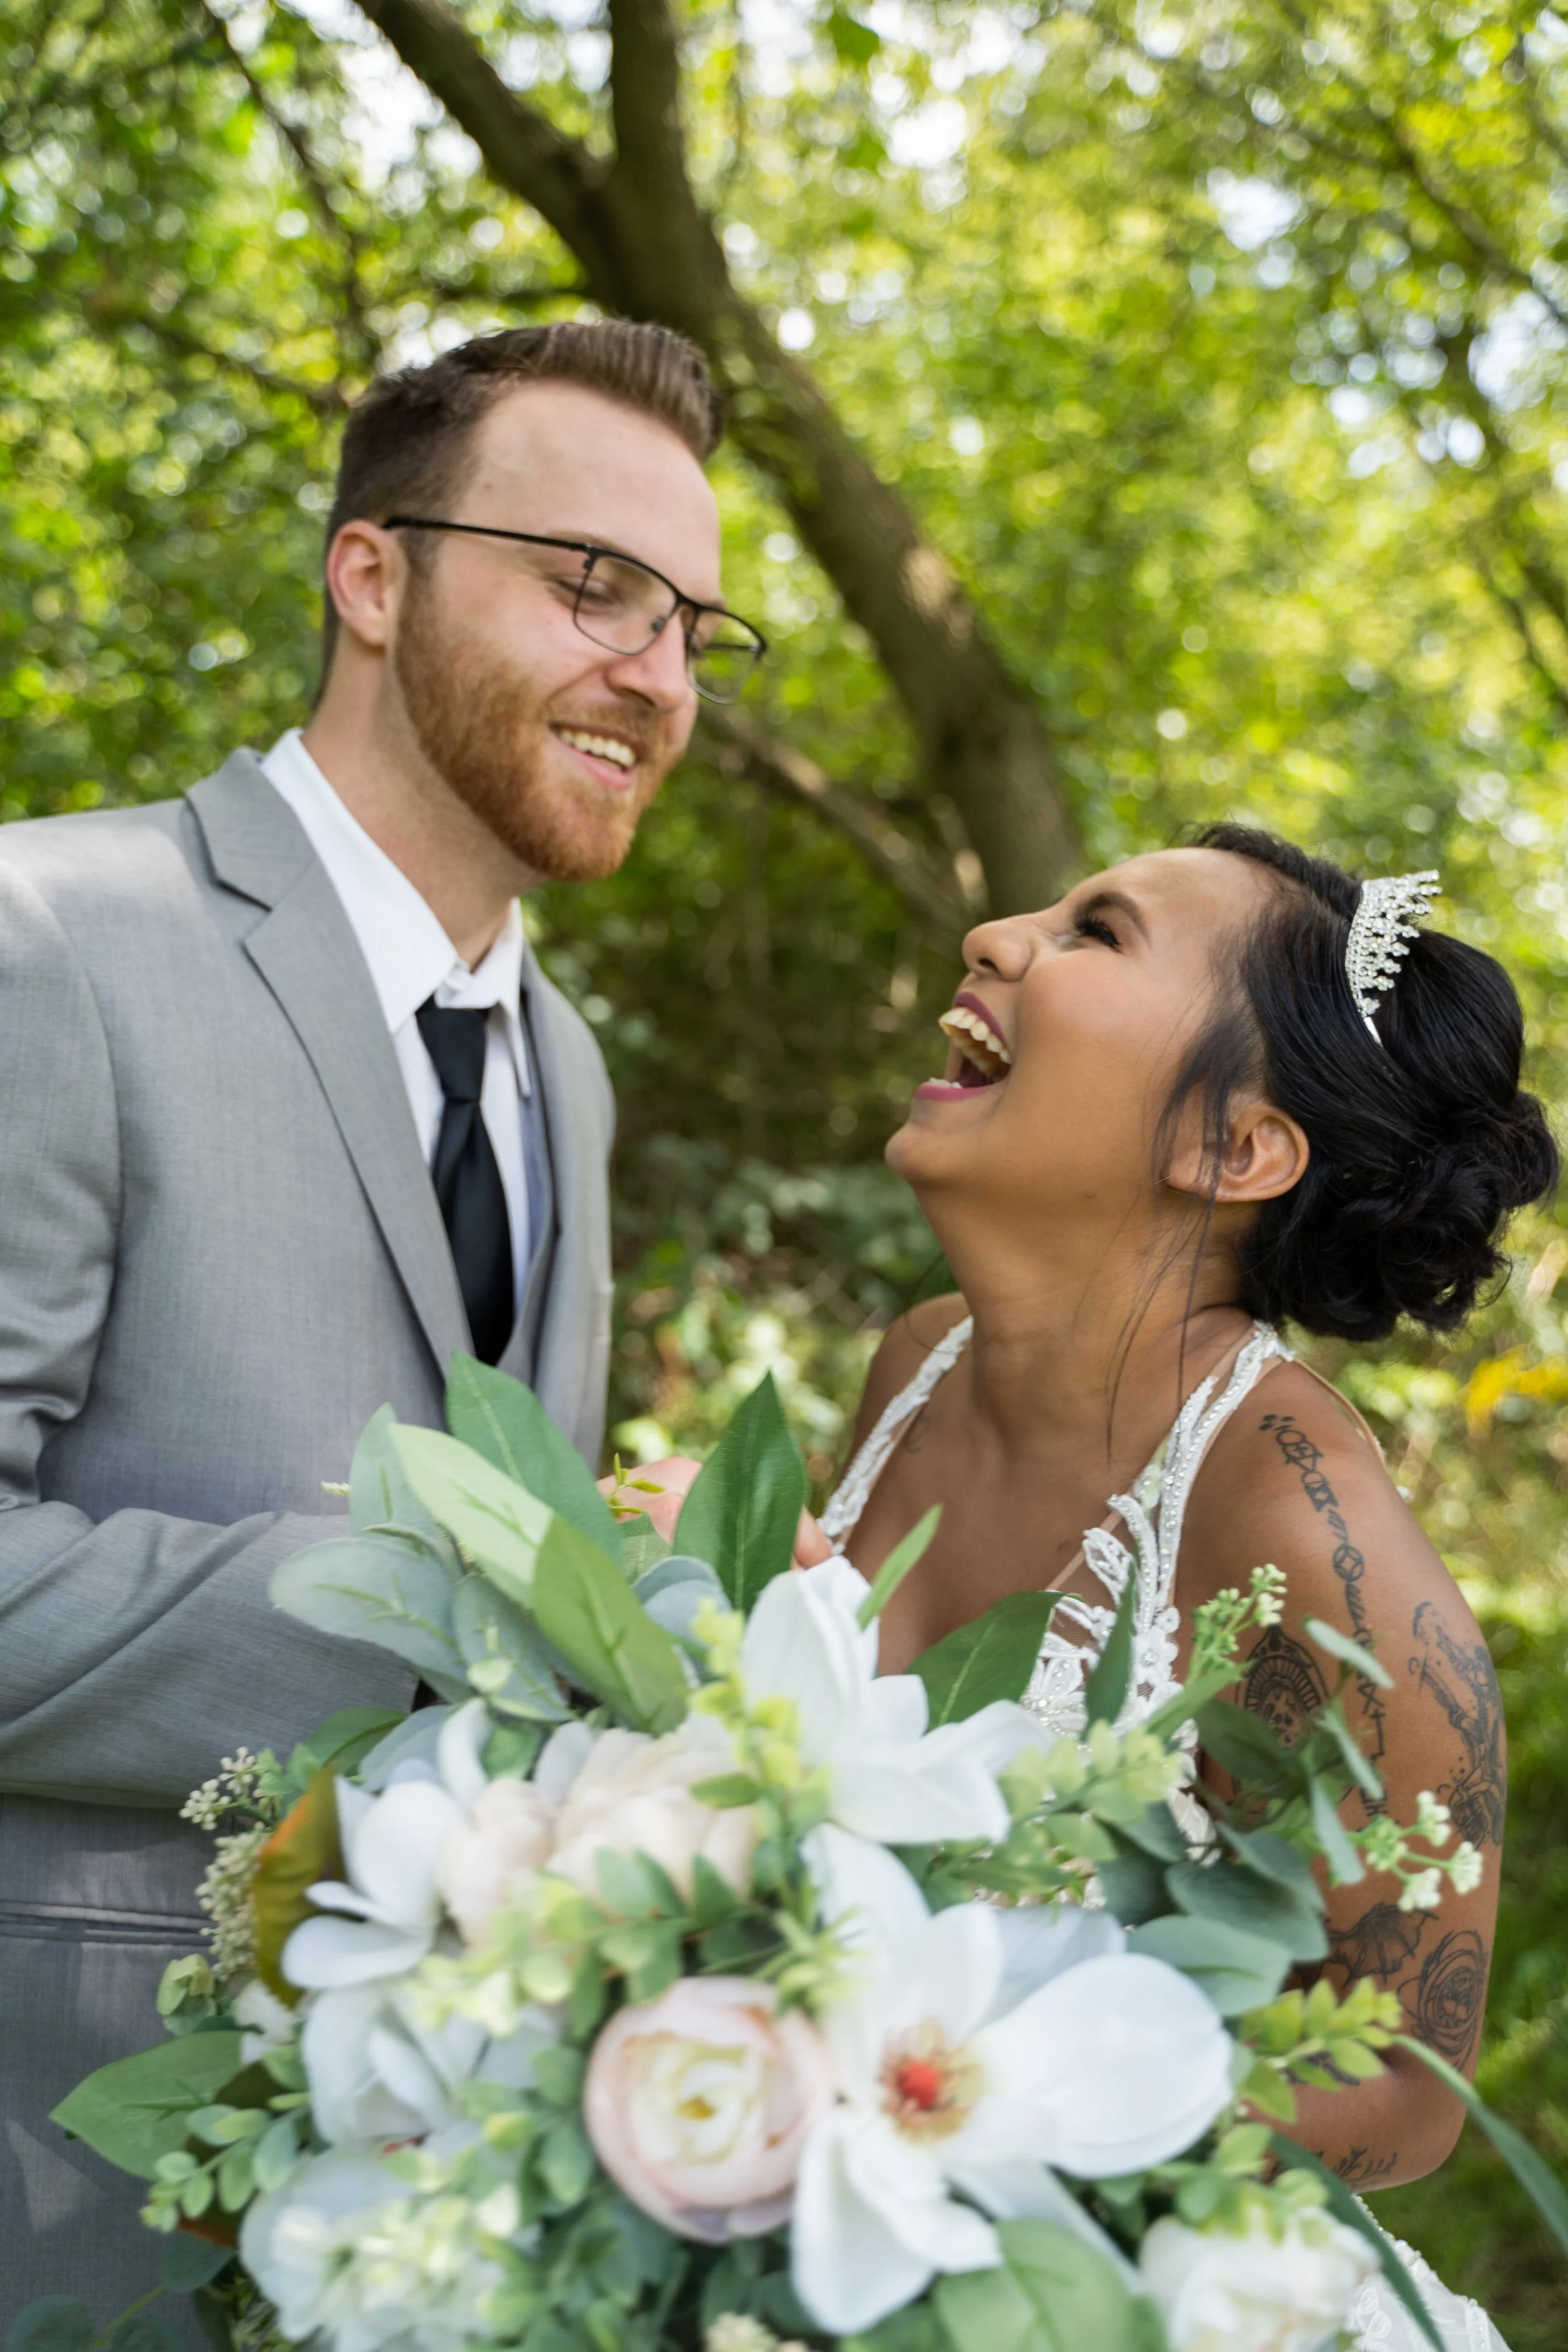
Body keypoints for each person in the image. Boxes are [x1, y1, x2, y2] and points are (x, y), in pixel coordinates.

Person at [0, 318, 765, 2320]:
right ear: (370, 572)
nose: (654, 675)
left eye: (694, 625)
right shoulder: (52, 939)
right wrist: (458, 1598)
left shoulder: (569, 1072)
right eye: (590, 586)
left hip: (434, 2215)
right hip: (51, 2162)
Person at [810, 825, 1555, 2349]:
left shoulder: (1299, 1535)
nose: (996, 936)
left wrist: (996, 2140)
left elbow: (1409, 2096)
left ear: (1232, 1148)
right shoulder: (916, 1359)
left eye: (1093, 933)